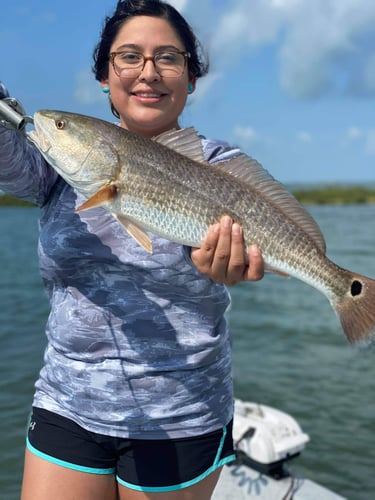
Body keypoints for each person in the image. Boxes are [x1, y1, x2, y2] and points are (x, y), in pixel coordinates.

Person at [0, 1, 264, 499]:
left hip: (180, 415)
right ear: (104, 76)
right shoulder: (59, 163)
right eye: (129, 57)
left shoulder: (221, 168)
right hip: (68, 403)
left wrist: (234, 267)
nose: (149, 71)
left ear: (191, 77)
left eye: (168, 57)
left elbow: (258, 248)